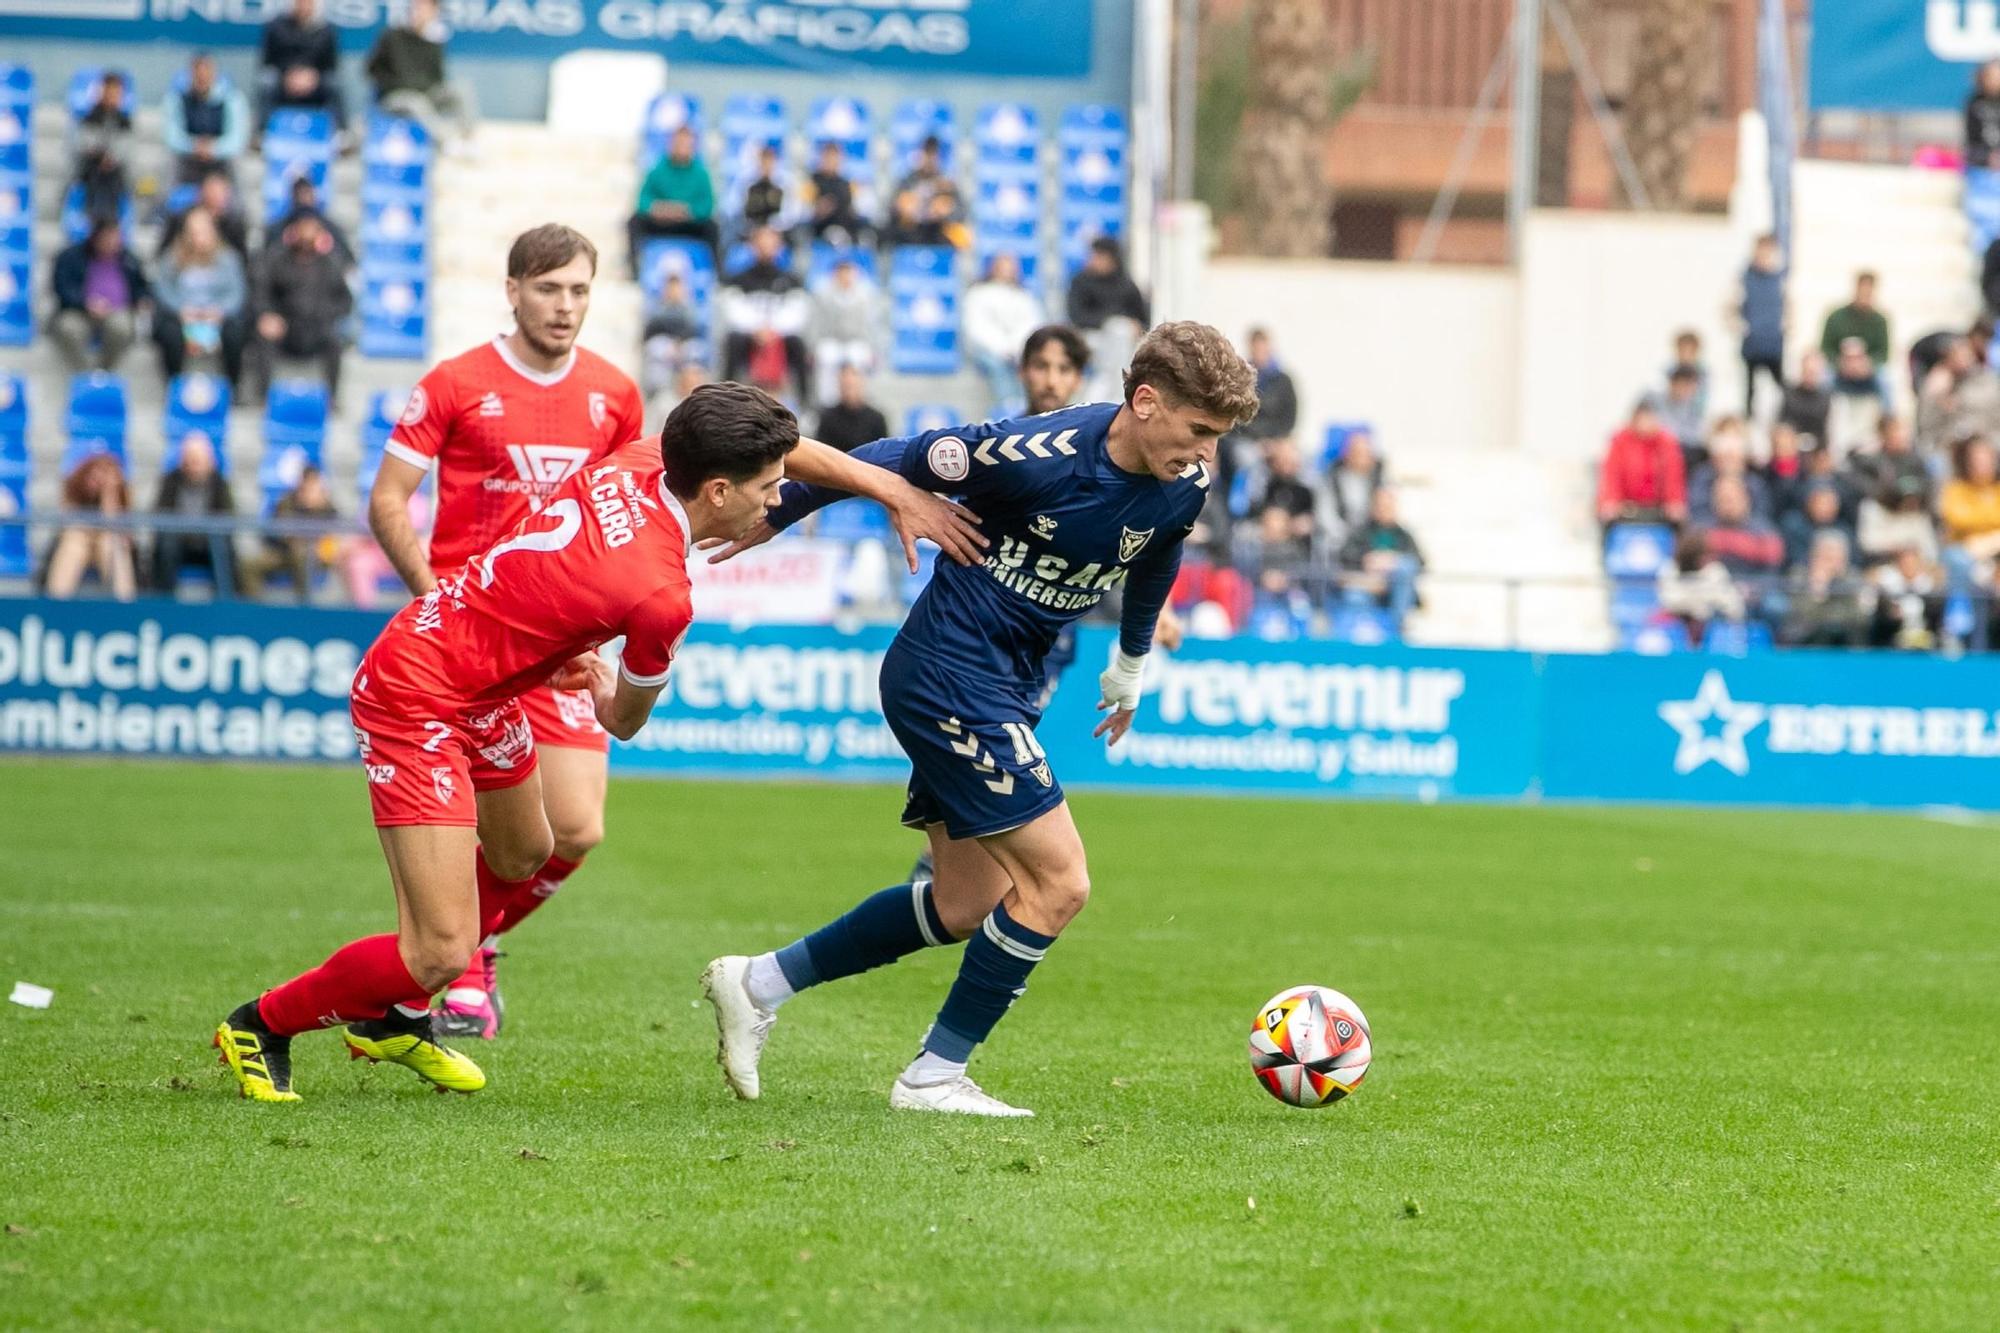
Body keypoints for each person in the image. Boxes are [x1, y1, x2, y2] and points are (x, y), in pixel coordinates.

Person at [211, 383, 986, 1102]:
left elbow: (787, 452)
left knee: (525, 851)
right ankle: (263, 1023)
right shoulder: (659, 594)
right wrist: (596, 673)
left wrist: (889, 485)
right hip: (418, 695)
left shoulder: (649, 458)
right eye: (766, 488)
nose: (779, 497)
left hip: (475, 682)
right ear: (718, 491)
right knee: (440, 950)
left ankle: (390, 1016)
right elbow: (620, 719)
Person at [699, 321, 1258, 1118]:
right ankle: (933, 1075)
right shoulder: (1038, 453)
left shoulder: (1185, 480)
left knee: (964, 904)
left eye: (1217, 439)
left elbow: (1158, 549)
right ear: (1145, 400)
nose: (1205, 453)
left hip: (1005, 679)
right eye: (1199, 431)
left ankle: (756, 983)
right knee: (1060, 881)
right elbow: (899, 455)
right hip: (948, 673)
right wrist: (785, 508)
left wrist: (1129, 666)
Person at [365, 225, 645, 1042]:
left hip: (554, 647)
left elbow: (617, 517)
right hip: (464, 645)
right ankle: (451, 961)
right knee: (496, 833)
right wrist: (433, 598)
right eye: (550, 289)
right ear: (514, 289)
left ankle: (475, 945)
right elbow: (389, 501)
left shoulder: (615, 394)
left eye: (580, 290)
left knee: (579, 828)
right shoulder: (456, 383)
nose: (565, 306)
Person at [248, 211, 353, 400]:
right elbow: (261, 293)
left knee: (334, 341)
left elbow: (345, 300)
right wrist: (268, 315)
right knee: (263, 337)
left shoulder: (330, 264)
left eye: (312, 229)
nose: (307, 234)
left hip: (317, 329)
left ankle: (332, 399)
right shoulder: (276, 260)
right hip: (286, 327)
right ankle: (263, 397)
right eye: (303, 228)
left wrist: (328, 316)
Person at [151, 206, 248, 392]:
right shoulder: (171, 258)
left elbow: (236, 293)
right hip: (182, 316)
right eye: (194, 232)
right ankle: (175, 388)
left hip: (218, 316)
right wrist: (182, 310)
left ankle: (232, 389)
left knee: (235, 334)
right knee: (169, 334)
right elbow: (163, 291)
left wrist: (219, 312)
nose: (199, 237)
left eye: (203, 231)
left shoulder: (229, 259)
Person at [366, 0, 477, 153]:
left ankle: (469, 141)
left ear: (434, 13)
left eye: (425, 9)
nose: (419, 13)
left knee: (461, 89)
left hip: (426, 93)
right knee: (417, 102)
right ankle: (446, 143)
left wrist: (432, 42)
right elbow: (370, 70)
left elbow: (438, 78)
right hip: (396, 96)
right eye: (417, 8)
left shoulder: (434, 41)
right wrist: (393, 85)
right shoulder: (391, 36)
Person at [719, 226, 811, 401]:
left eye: (770, 242)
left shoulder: (791, 279)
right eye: (761, 242)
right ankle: (726, 398)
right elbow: (732, 311)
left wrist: (772, 331)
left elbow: (798, 313)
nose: (766, 247)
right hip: (749, 335)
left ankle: (805, 404)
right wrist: (756, 329)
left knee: (798, 344)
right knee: (733, 340)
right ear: (752, 245)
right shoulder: (738, 279)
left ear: (779, 245)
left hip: (779, 335)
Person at [48, 220, 148, 373]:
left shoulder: (130, 260)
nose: (111, 243)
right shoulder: (71, 256)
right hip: (78, 311)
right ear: (95, 238)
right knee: (68, 327)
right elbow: (61, 288)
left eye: (115, 238)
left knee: (122, 328)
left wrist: (142, 300)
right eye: (107, 238)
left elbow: (142, 287)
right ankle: (86, 373)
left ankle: (104, 371)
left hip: (118, 310)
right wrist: (85, 303)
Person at [149, 432, 237, 594]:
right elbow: (159, 513)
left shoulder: (220, 484)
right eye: (190, 460)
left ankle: (226, 602)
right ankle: (162, 602)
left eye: (198, 461)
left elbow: (229, 517)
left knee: (221, 547)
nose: (193, 466)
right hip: (179, 541)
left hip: (208, 542)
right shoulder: (170, 481)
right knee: (167, 545)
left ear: (210, 462)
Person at [41, 453, 137, 600]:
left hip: (108, 547)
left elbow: (122, 533)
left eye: (105, 475)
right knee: (74, 543)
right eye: (95, 473)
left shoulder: (120, 499)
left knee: (110, 542)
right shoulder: (73, 494)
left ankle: (125, 606)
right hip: (79, 545)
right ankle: (56, 606)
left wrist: (109, 496)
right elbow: (66, 526)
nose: (99, 479)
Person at [962, 252, 1045, 416]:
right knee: (997, 364)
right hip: (988, 350)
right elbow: (977, 327)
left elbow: (1032, 325)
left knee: (1029, 363)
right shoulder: (978, 293)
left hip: (1018, 350)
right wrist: (1001, 348)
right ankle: (1007, 409)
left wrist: (1017, 347)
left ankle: (1026, 409)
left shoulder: (1024, 296)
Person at [1066, 238, 1149, 399]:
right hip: (1090, 337)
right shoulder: (1081, 282)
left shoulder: (1127, 284)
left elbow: (1143, 321)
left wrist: (1132, 326)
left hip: (1123, 342)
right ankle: (1114, 393)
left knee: (1121, 334)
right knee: (1117, 331)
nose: (1094, 260)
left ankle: (1116, 392)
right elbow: (1077, 317)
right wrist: (1109, 321)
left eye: (1099, 256)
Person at [241, 464, 338, 598]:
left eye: (313, 486)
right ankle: (254, 609)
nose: (309, 490)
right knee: (249, 564)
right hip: (283, 553)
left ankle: (304, 607)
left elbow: (331, 539)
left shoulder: (328, 508)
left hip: (314, 556)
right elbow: (280, 532)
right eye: (305, 485)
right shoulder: (287, 501)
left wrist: (316, 509)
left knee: (301, 556)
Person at [628, 126, 719, 266]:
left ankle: (716, 272)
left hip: (689, 224)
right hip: (661, 223)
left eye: (686, 144)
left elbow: (708, 205)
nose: (682, 148)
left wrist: (688, 211)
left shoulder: (701, 173)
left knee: (712, 227)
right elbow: (642, 201)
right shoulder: (657, 169)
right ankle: (634, 268)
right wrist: (659, 209)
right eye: (679, 143)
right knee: (635, 222)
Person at [258, 0, 347, 136]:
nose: (304, 6)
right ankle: (263, 131)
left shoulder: (326, 30)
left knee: (334, 83)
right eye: (300, 2)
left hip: (316, 80)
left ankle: (340, 133)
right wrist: (288, 75)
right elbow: (268, 60)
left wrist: (313, 76)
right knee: (266, 81)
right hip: (284, 79)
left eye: (308, 3)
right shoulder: (276, 26)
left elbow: (331, 64)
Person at [162, 53, 250, 186]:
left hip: (220, 159)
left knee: (235, 163)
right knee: (170, 162)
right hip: (189, 157)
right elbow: (171, 136)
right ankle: (166, 204)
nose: (202, 78)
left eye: (206, 73)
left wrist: (213, 149)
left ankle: (238, 206)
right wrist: (193, 146)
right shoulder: (177, 99)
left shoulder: (232, 98)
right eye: (198, 74)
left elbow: (236, 139)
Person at [1337, 487, 1423, 621]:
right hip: (1365, 585)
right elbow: (1345, 559)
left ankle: (1397, 627)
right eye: (1380, 506)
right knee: (1354, 597)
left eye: (1388, 506)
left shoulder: (1404, 536)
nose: (1384, 510)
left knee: (1407, 565)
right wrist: (1368, 562)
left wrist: (1392, 560)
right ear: (1373, 507)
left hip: (1395, 588)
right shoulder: (1360, 533)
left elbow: (1419, 563)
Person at [1596, 400, 1687, 526]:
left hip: (1658, 509)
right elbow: (1612, 474)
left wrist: (1674, 501)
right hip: (1626, 508)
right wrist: (1611, 500)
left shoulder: (1667, 443)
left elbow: (1673, 475)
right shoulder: (1620, 441)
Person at [808, 257, 882, 408]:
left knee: (860, 356)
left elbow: (873, 325)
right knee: (826, 356)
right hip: (831, 339)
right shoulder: (822, 294)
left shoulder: (866, 296)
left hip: (857, 341)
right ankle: (826, 403)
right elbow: (814, 323)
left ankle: (860, 400)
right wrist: (812, 348)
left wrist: (874, 349)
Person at [1780, 530, 1869, 647]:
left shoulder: (1853, 578)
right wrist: (1818, 590)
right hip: (1809, 639)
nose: (1833, 564)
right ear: (1814, 556)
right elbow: (1799, 617)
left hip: (1846, 639)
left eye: (1837, 558)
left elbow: (1861, 619)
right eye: (1827, 557)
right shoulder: (1799, 575)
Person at [1940, 434, 2000, 598]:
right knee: (1958, 561)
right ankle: (1964, 619)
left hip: (1996, 549)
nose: (1983, 464)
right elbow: (1958, 519)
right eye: (1977, 459)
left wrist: (1991, 541)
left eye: (1987, 458)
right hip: (1965, 549)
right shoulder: (1955, 489)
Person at [69, 71, 132, 223]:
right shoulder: (89, 118)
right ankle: (94, 219)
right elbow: (83, 143)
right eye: (109, 92)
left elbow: (128, 148)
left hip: (115, 173)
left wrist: (112, 158)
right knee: (96, 175)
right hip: (90, 170)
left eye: (116, 93)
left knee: (113, 177)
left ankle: (109, 221)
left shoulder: (125, 121)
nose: (113, 97)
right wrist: (99, 155)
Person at [1736, 236, 1787, 419]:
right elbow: (1730, 305)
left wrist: (1786, 326)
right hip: (1752, 344)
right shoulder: (1744, 277)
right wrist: (1741, 326)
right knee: (1749, 391)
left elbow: (1789, 305)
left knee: (1782, 388)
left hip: (1774, 343)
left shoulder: (1779, 279)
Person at [162, 171, 252, 263]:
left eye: (222, 193)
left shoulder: (233, 227)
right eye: (214, 193)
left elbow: (242, 261)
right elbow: (166, 251)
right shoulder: (184, 219)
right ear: (202, 194)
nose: (219, 198)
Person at [1820, 272, 1891, 374]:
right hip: (1838, 368)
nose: (1865, 295)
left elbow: (1883, 354)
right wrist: (1840, 363)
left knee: (1885, 378)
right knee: (1825, 376)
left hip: (1868, 370)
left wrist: (1868, 364)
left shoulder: (1880, 321)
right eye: (1863, 290)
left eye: (1869, 291)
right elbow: (1825, 349)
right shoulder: (1836, 317)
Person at [1238, 329, 1298, 444]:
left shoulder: (1283, 381)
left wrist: (1276, 441)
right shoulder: (1241, 379)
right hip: (1247, 440)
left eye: (1263, 348)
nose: (1260, 352)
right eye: (1257, 348)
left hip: (1277, 440)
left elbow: (1289, 418)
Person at [803, 140, 869, 244]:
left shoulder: (846, 184)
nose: (832, 161)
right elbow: (802, 212)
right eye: (828, 157)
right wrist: (818, 210)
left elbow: (856, 209)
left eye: (835, 157)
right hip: (821, 229)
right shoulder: (812, 182)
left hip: (845, 225)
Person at [813, 365, 889, 453]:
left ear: (861, 384)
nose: (849, 390)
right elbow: (821, 452)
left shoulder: (877, 419)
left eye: (852, 385)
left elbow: (883, 453)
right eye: (845, 385)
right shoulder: (827, 418)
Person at [1780, 349, 1832, 445]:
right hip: (1791, 447)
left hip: (1819, 449)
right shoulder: (1788, 394)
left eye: (1813, 372)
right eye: (1807, 371)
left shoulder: (1827, 398)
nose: (1810, 375)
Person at [1968, 60, 2000, 169]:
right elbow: (1971, 139)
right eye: (1992, 77)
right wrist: (1987, 157)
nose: (1995, 81)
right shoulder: (1974, 102)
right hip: (1981, 158)